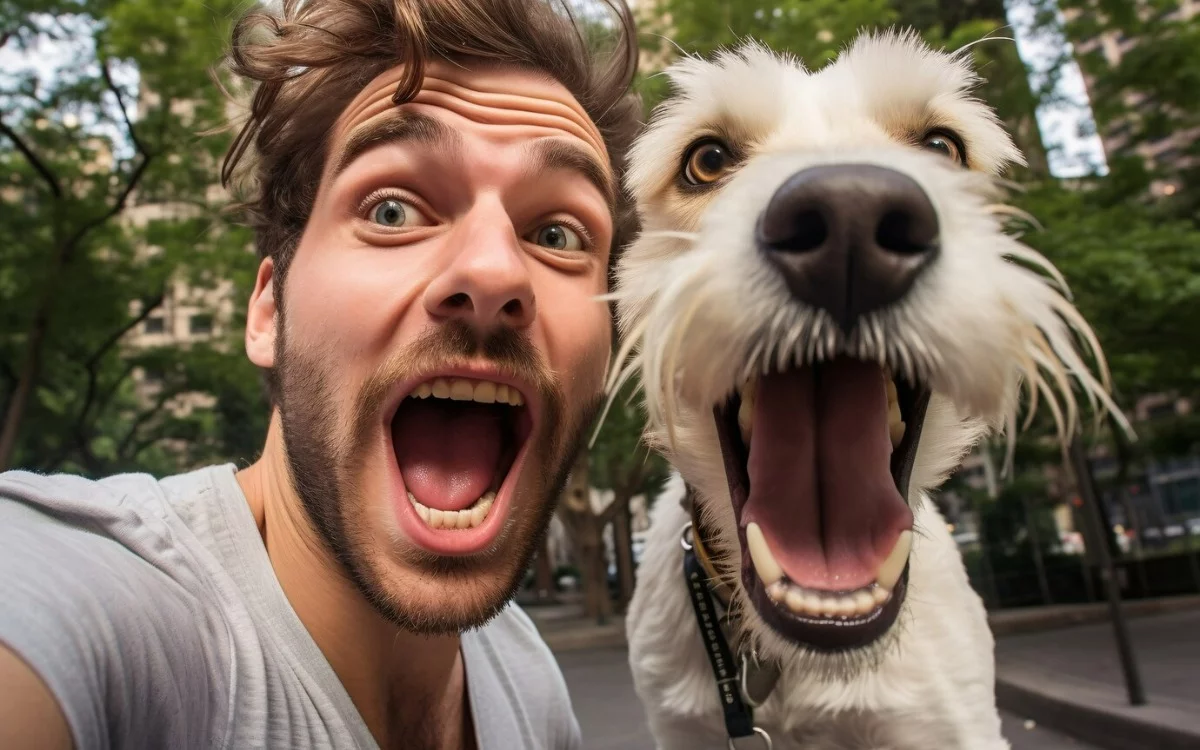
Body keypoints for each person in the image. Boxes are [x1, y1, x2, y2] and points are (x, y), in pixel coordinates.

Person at [0, 0, 642, 747]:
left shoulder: (527, 681)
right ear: (269, 310)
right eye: (393, 211)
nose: (495, 272)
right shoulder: (91, 603)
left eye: (558, 234)